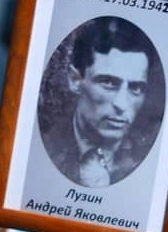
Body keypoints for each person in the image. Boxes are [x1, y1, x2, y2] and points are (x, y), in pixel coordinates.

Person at [39, 17, 159, 188]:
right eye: (108, 83)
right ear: (75, 80)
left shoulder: (153, 167)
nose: (121, 104)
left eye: (136, 88)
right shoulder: (40, 149)